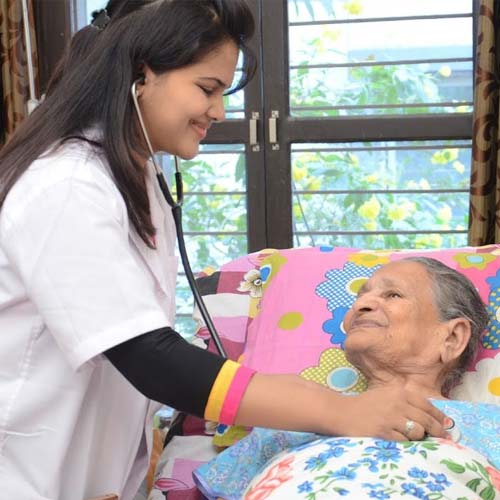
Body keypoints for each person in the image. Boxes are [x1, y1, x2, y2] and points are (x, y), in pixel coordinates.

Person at [0, 2, 446, 499]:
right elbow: (152, 359)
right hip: (26, 474)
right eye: (207, 89)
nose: (219, 111)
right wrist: (340, 410)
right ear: (139, 75)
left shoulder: (135, 175)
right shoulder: (66, 187)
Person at [193, 257, 497, 499]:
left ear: (452, 338)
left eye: (393, 294)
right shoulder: (292, 413)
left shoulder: (491, 424)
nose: (360, 305)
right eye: (362, 295)